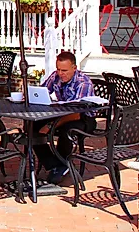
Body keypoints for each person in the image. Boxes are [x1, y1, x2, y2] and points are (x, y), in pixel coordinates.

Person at [32, 51, 95, 185]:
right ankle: (55, 165)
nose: (61, 73)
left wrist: (50, 126)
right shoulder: (56, 76)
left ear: (74, 68)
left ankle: (61, 163)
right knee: (33, 126)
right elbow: (42, 91)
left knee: (67, 131)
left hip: (83, 118)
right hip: (61, 114)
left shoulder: (83, 83)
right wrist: (31, 95)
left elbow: (76, 113)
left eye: (65, 70)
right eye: (59, 69)